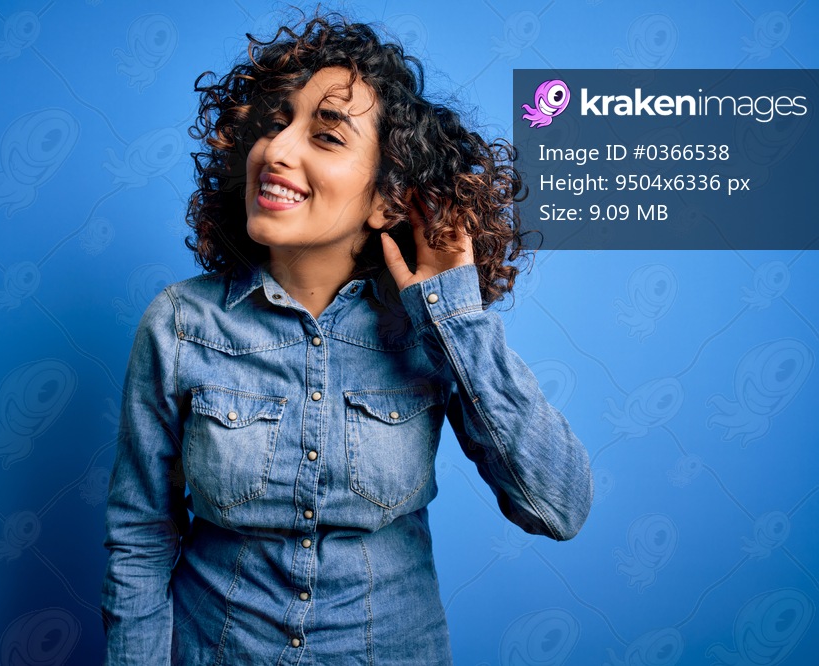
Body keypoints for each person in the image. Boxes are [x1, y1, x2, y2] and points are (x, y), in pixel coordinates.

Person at [102, 13, 592, 665]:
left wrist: (456, 317)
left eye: (325, 137)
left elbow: (557, 507)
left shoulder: (429, 332)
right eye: (272, 124)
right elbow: (140, 535)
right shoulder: (180, 322)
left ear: (387, 201)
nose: (276, 151)